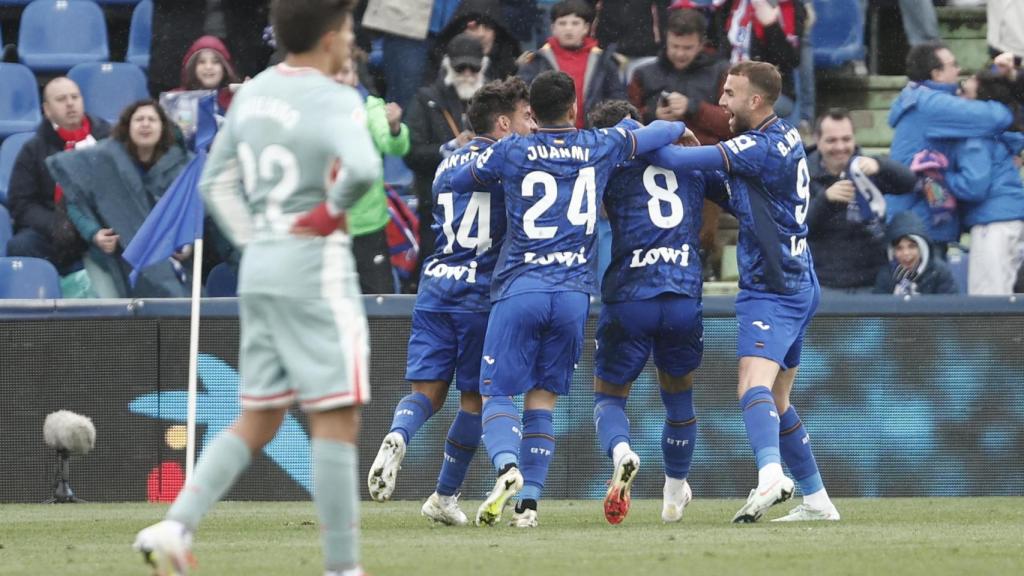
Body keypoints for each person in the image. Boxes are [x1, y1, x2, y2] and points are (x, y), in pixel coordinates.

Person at [132, 2, 380, 576]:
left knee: (258, 415)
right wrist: (326, 214)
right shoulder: (334, 96)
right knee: (336, 415)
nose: (350, 39)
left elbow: (216, 181)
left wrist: (254, 239)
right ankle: (343, 567)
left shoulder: (254, 93)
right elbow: (365, 168)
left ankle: (174, 527)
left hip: (264, 267)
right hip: (316, 268)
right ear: (327, 36)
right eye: (345, 29)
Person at [454, 70, 686, 528]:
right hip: (575, 294)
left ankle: (506, 467)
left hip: (521, 287)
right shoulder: (599, 143)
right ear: (575, 107)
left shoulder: (512, 149)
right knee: (544, 399)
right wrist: (678, 127)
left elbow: (465, 177)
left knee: (497, 392)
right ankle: (529, 507)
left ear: (532, 113)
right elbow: (663, 129)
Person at [646, 61, 840, 523]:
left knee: (752, 385)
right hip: (798, 280)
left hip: (772, 288)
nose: (722, 103)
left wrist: (644, 134)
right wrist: (699, 150)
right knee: (777, 399)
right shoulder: (784, 135)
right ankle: (817, 501)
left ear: (756, 100)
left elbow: (673, 161)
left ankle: (771, 476)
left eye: (730, 94)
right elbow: (732, 189)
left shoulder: (756, 147)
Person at [366, 77, 536, 525]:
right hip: (480, 295)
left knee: (425, 391)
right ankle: (445, 494)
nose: (530, 126)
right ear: (503, 122)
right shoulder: (507, 163)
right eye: (524, 116)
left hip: (436, 287)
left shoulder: (447, 161)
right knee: (475, 401)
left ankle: (399, 433)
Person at [586, 100, 724, 525]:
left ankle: (624, 452)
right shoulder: (686, 160)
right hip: (682, 291)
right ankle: (673, 494)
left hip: (631, 293)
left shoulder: (607, 164)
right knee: (679, 398)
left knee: (608, 397)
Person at [46, 100, 192, 299]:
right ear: (127, 126)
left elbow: (193, 211)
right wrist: (94, 233)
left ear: (163, 127)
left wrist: (186, 242)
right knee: (116, 322)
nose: (145, 124)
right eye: (139, 119)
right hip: (110, 259)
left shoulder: (181, 167)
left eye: (152, 119)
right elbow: (74, 201)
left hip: (165, 265)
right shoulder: (103, 159)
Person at [888, 42, 1014, 256]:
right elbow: (997, 117)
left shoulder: (921, 97)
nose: (959, 70)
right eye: (953, 65)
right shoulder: (931, 104)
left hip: (917, 222)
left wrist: (995, 72)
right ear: (937, 74)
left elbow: (968, 100)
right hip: (919, 228)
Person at [6, 77, 110, 278]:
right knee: (21, 245)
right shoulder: (33, 149)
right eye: (61, 99)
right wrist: (55, 225)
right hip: (53, 231)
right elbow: (21, 203)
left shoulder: (107, 139)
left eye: (75, 97)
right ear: (47, 109)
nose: (70, 103)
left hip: (102, 228)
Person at [807, 108, 918, 294]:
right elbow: (798, 229)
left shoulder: (865, 168)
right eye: (832, 140)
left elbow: (909, 183)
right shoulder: (801, 174)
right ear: (817, 141)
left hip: (872, 283)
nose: (840, 146)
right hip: (826, 284)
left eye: (846, 139)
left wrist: (881, 165)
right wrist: (825, 200)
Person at [406, 32, 489, 278]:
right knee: (434, 272)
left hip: (484, 207)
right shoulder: (426, 99)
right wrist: (449, 148)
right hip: (437, 206)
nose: (466, 73)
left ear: (483, 66)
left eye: (472, 67)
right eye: (460, 66)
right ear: (447, 65)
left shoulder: (497, 100)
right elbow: (411, 152)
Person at [942, 72, 1024, 295]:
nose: (957, 94)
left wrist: (941, 175)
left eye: (964, 91)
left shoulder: (975, 139)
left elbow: (974, 186)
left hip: (993, 224)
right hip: (1006, 219)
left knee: (988, 301)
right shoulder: (991, 134)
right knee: (1003, 299)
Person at [337, 51, 410, 294]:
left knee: (379, 307)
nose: (339, 78)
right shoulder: (312, 111)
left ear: (356, 76)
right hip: (327, 228)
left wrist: (394, 126)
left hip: (368, 226)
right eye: (333, 72)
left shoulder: (372, 108)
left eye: (345, 72)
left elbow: (394, 144)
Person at [517, 0, 626, 129]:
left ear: (586, 27)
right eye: (562, 23)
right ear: (553, 28)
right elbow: (522, 100)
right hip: (547, 136)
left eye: (575, 23)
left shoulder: (603, 61)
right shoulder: (537, 61)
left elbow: (617, 100)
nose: (568, 28)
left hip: (594, 137)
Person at [429, 0, 523, 85]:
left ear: (497, 33)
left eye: (488, 27)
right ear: (459, 32)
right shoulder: (438, 75)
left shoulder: (512, 73)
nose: (481, 34)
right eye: (473, 27)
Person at [873, 212, 957, 295]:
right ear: (892, 252)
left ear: (922, 248)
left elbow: (952, 305)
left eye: (912, 247)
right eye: (899, 248)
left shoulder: (939, 273)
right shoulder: (886, 274)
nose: (906, 253)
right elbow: (877, 305)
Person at [176, 35, 241, 112]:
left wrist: (250, 92)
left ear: (225, 68)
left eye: (215, 62)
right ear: (193, 67)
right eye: (202, 62)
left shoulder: (239, 99)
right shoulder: (176, 100)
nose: (208, 67)